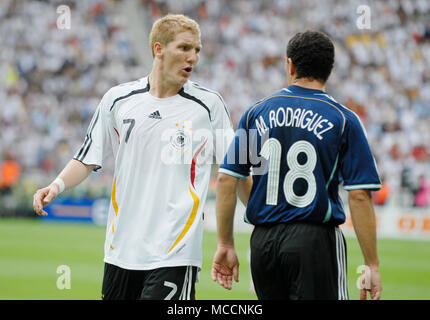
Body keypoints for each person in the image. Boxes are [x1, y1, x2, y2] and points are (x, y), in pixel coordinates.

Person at [33, 14, 236, 300]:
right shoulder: (118, 99)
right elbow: (87, 157)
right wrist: (56, 185)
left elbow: (235, 170)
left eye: (197, 50)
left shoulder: (209, 105)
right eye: (185, 48)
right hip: (121, 250)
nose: (194, 57)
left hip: (174, 251)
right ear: (158, 49)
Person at [212, 31, 382, 300]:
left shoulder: (256, 112)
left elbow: (227, 179)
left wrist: (225, 243)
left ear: (290, 65)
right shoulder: (343, 119)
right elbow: (359, 194)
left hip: (263, 242)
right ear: (330, 70)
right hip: (313, 240)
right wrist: (371, 264)